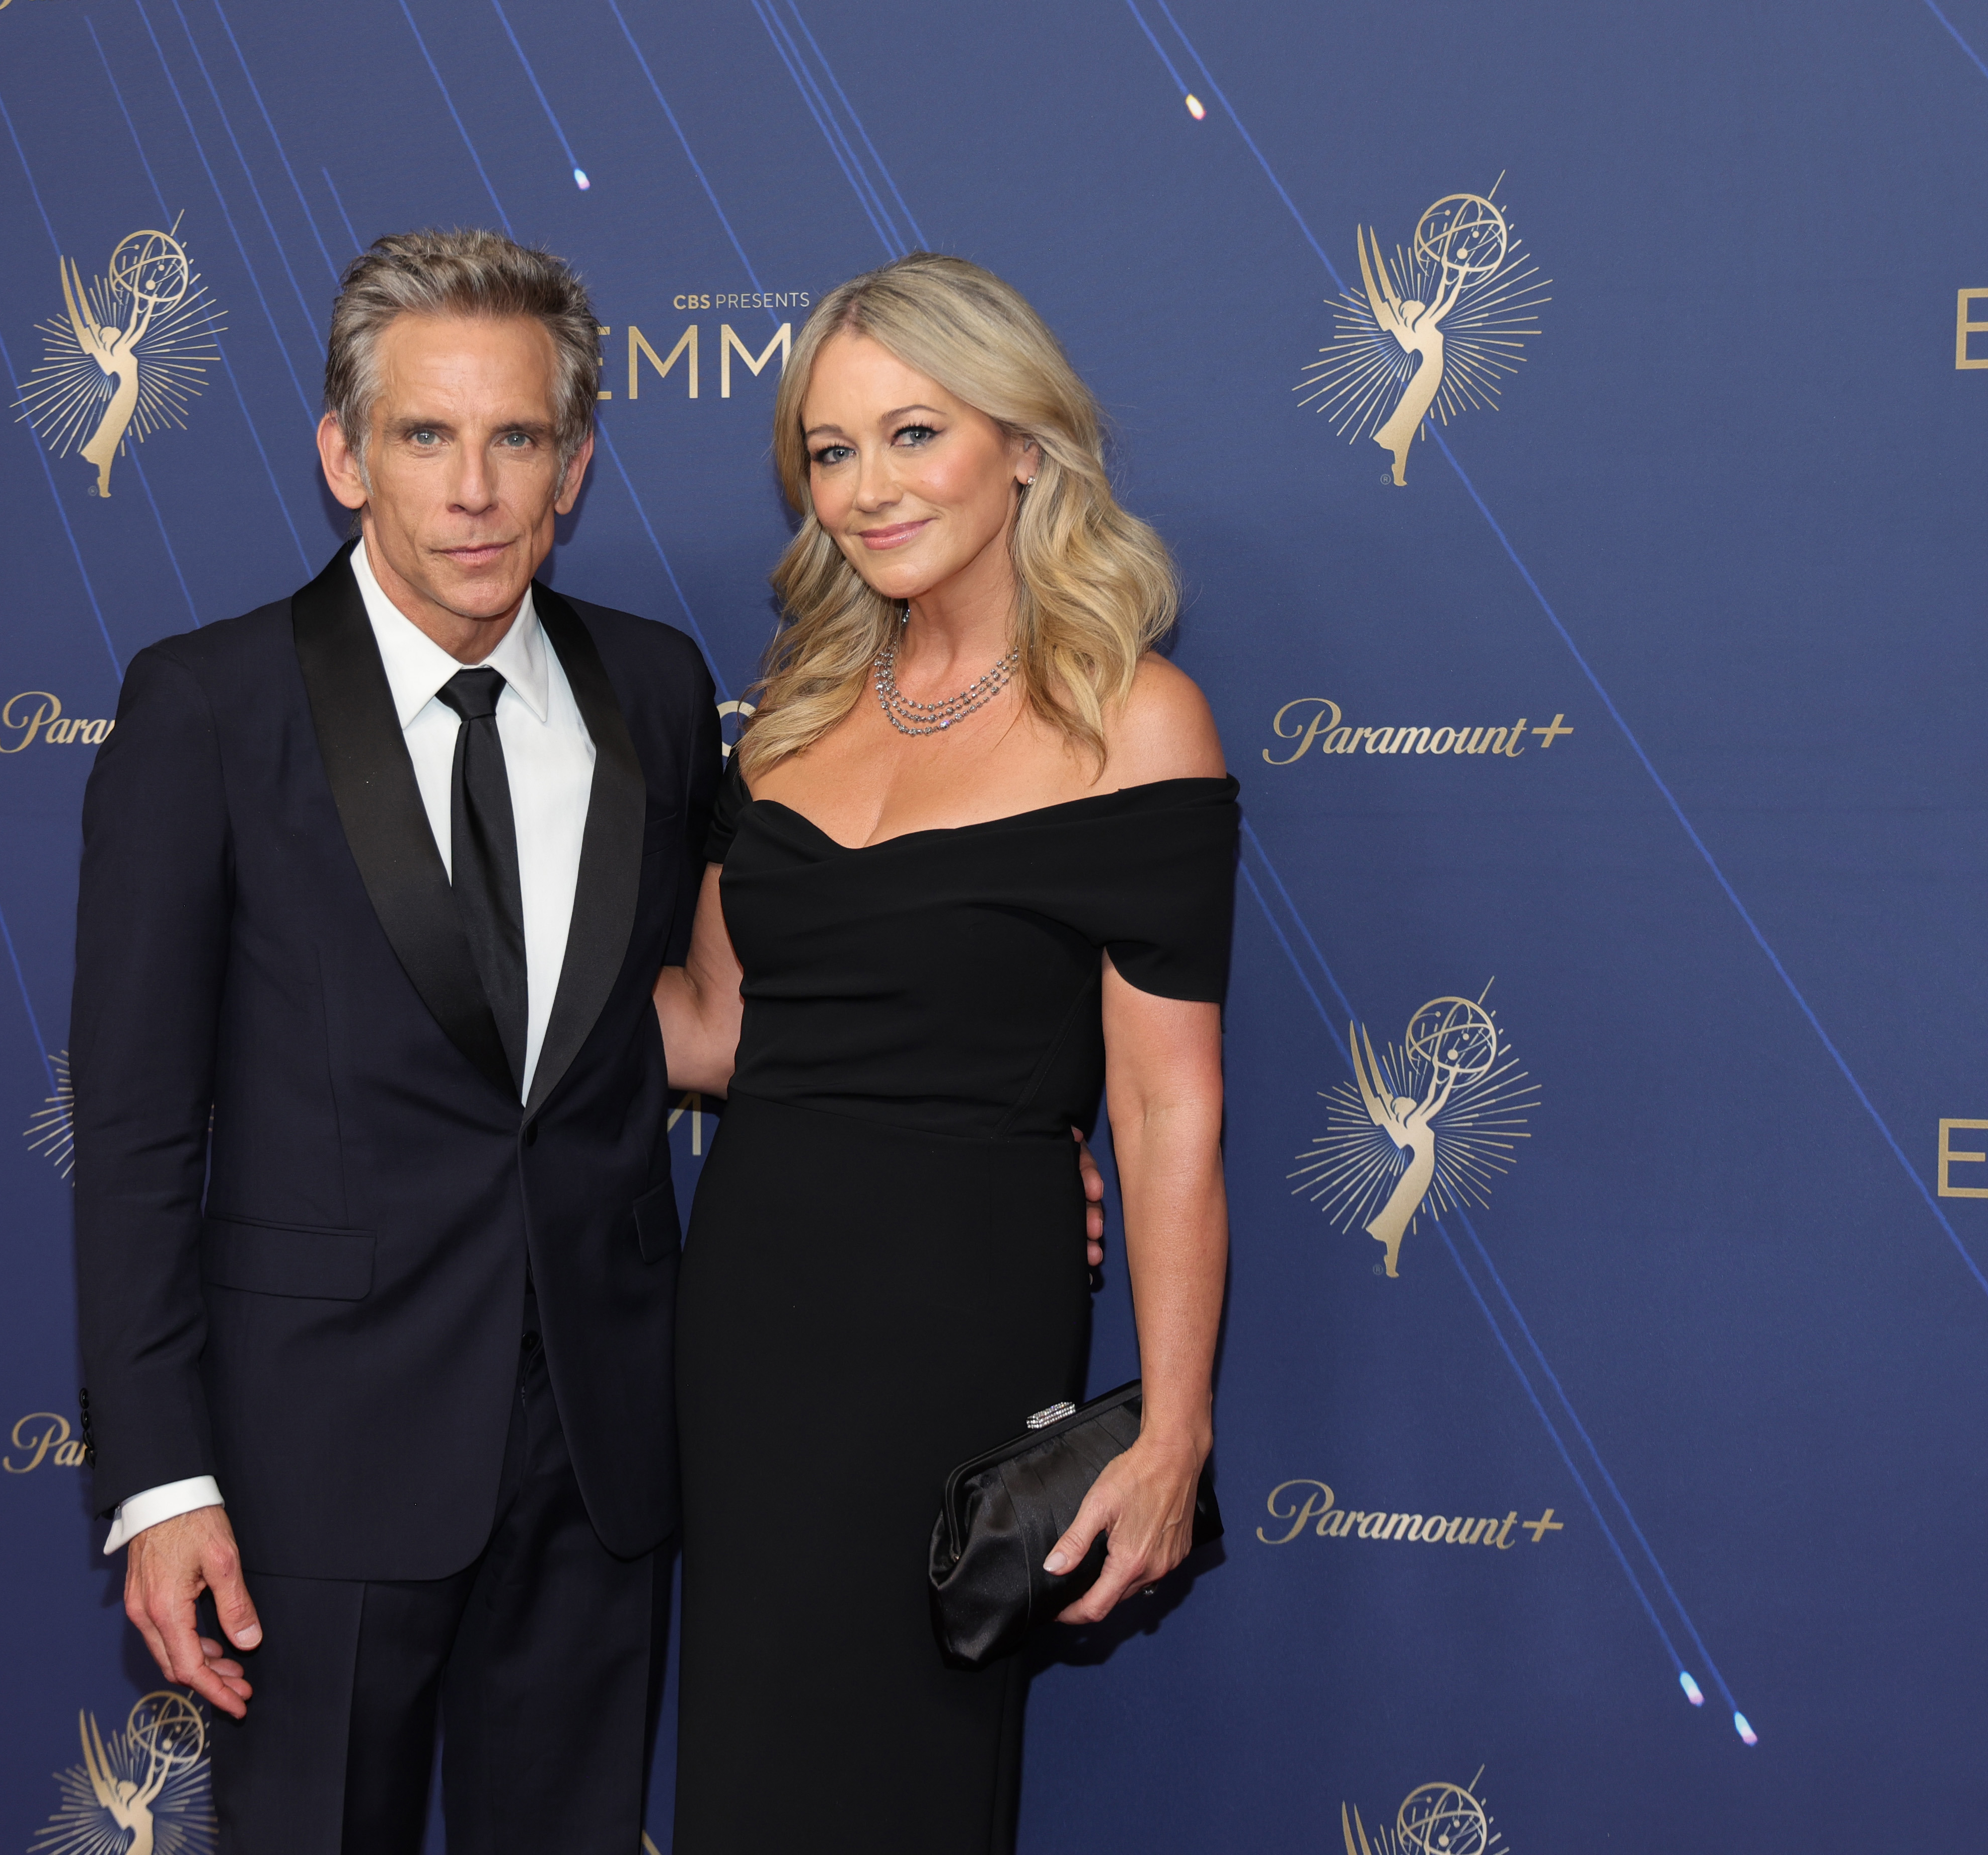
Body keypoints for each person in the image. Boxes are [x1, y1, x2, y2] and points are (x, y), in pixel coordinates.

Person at [67, 229, 724, 1853]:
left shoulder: (654, 693)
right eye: (427, 435)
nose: (475, 491)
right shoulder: (210, 709)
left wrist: (981, 1140)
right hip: (312, 1462)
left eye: (518, 438)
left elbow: (707, 1013)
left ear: (576, 465)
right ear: (345, 458)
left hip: (598, 1451)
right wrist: (163, 1482)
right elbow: (137, 1131)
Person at [655, 253, 1236, 1852]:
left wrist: (1174, 1425)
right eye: (831, 451)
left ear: (1025, 447)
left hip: (962, 1311)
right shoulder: (789, 715)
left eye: (915, 435)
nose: (868, 489)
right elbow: (712, 1030)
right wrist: (447, 957)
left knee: (904, 1769)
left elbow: (1166, 1109)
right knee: (753, 1756)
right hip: (752, 1312)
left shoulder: (1135, 720)